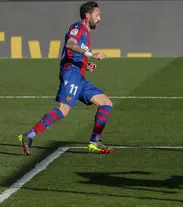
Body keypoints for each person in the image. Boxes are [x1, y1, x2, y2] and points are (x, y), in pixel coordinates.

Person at [18, 1, 113, 156]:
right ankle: (29, 136)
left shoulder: (86, 32)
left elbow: (74, 53)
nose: (99, 19)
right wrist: (91, 55)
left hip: (79, 75)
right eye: (97, 15)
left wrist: (86, 64)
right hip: (71, 74)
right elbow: (70, 44)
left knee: (106, 103)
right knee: (63, 110)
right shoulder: (78, 27)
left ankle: (95, 141)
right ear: (87, 15)